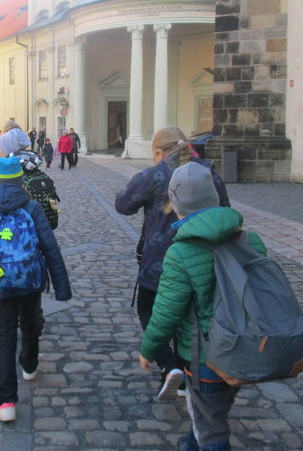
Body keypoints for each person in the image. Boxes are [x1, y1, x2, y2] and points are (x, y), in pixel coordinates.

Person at [139, 162, 266, 451]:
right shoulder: (251, 239)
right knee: (213, 412)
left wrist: (149, 349)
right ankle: (191, 443)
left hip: (205, 356)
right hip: (245, 349)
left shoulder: (180, 251)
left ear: (175, 204)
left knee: (212, 429)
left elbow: (167, 312)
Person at [115, 126, 229, 401]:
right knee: (189, 316)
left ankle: (169, 365)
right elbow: (225, 209)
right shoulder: (208, 172)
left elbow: (123, 204)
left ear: (159, 152)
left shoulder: (156, 174)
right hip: (204, 258)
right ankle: (184, 375)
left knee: (148, 309)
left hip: (161, 260)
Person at [0, 156, 72, 423]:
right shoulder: (32, 207)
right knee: (30, 322)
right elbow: (50, 247)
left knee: (6, 337)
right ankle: (29, 365)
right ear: (20, 179)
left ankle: (5, 402)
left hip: (0, 281)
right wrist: (62, 288)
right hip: (30, 279)